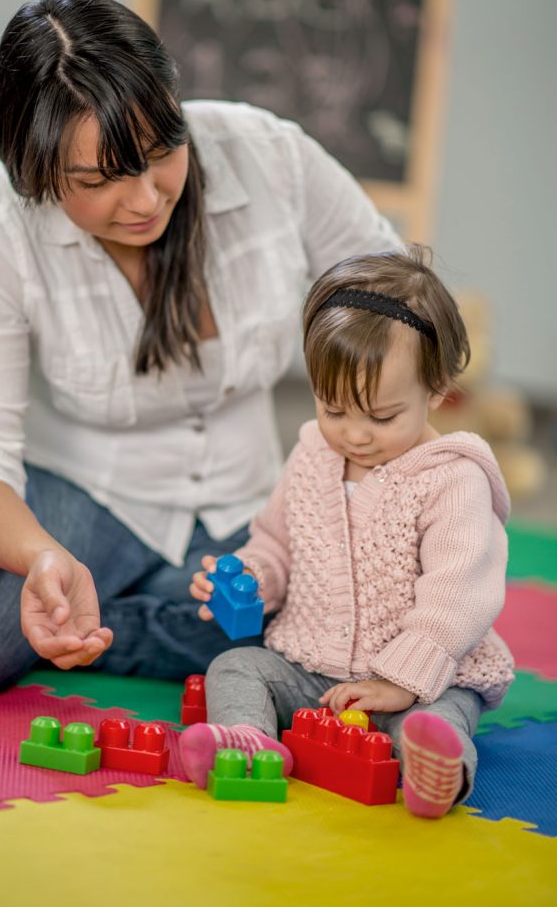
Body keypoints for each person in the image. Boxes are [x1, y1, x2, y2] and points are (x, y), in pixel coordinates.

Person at [0, 0, 400, 696]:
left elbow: (392, 299)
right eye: (97, 180)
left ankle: (84, 624)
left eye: (161, 154)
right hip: (80, 493)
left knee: (363, 631)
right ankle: (74, 611)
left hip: (248, 502)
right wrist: (42, 560)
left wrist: (381, 467)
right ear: (34, 168)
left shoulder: (269, 155)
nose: (148, 200)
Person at [183, 245, 514, 819]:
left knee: (437, 720)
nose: (354, 434)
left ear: (437, 391)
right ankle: (248, 745)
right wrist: (254, 578)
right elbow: (277, 541)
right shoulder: (313, 455)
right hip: (313, 673)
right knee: (233, 667)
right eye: (334, 409)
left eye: (382, 416)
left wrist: (401, 681)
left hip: (424, 679)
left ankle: (437, 772)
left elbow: (460, 592)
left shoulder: (453, 479)